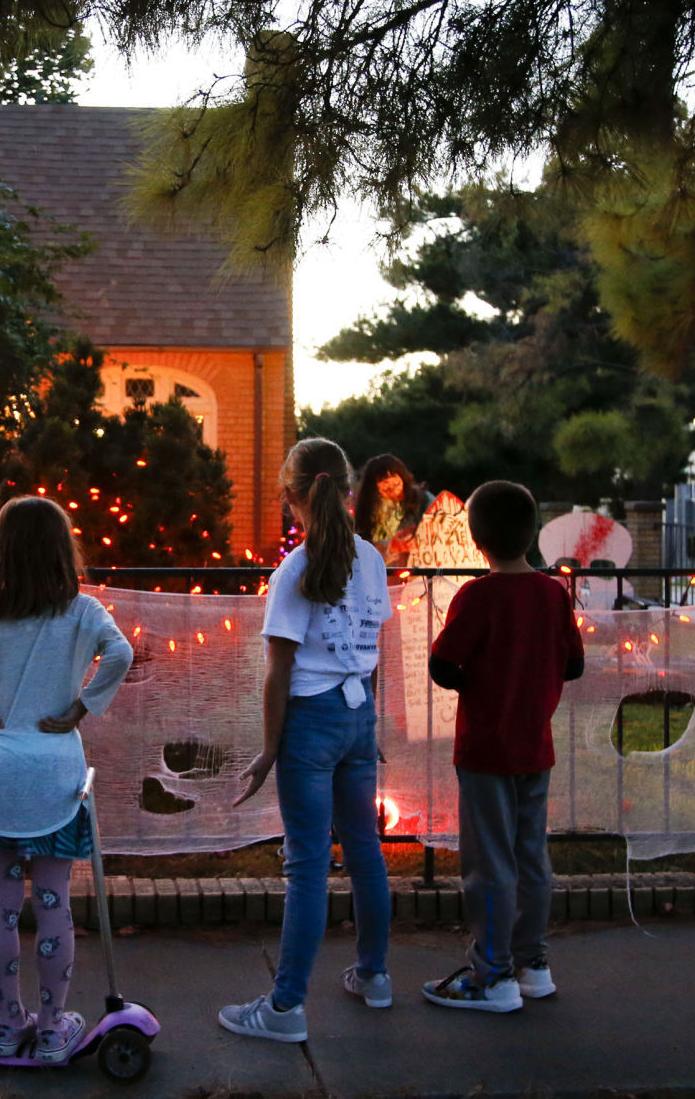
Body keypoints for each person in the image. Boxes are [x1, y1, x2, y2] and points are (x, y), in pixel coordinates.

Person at [0, 496, 134, 1064]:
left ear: (0, 552)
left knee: (3, 902)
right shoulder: (82, 612)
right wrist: (83, 706)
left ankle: (8, 1025)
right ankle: (54, 1024)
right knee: (54, 902)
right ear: (62, 551)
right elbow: (122, 652)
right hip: (55, 776)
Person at [219, 437, 394, 1043]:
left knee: (308, 866)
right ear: (347, 490)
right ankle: (374, 976)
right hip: (357, 714)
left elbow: (280, 673)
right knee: (365, 851)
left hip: (312, 722)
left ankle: (285, 1008)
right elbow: (371, 653)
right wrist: (369, 721)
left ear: (291, 497)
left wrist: (269, 749)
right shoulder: (371, 559)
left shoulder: (294, 570)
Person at [421, 480, 585, 1012]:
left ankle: (492, 977)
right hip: (535, 746)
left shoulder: (476, 597)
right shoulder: (553, 595)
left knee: (490, 861)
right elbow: (574, 664)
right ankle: (532, 963)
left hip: (485, 750)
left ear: (476, 538)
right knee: (531, 855)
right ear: (533, 531)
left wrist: (481, 682)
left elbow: (443, 665)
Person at [354, 454, 431, 566]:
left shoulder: (422, 499)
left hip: (415, 569)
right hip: (382, 570)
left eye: (394, 476)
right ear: (372, 486)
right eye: (383, 481)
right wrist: (389, 546)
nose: (391, 485)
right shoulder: (368, 511)